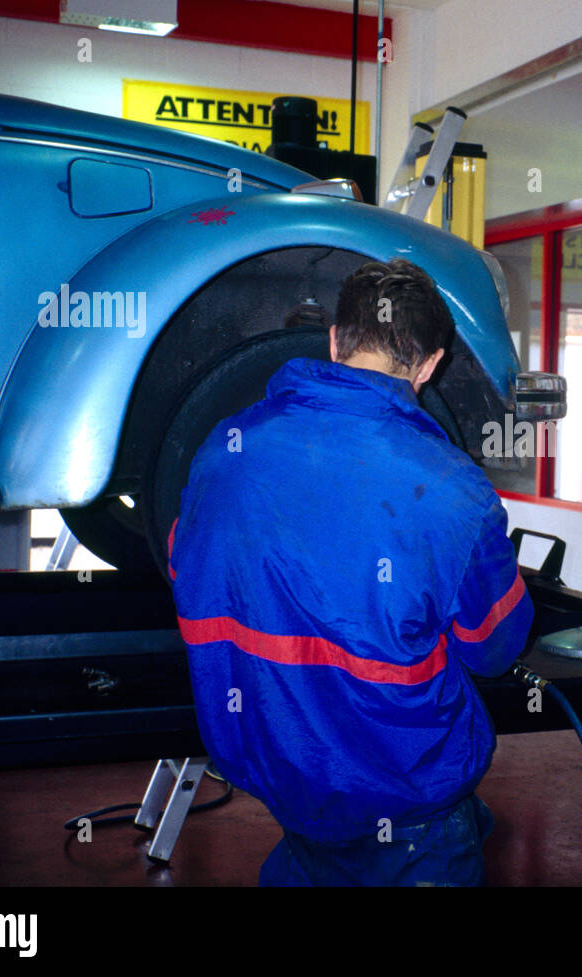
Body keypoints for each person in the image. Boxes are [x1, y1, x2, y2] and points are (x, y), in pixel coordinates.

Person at [168, 259, 534, 886]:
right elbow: (496, 649)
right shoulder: (455, 491)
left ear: (336, 340)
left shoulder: (222, 450)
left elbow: (190, 568)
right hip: (405, 797)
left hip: (287, 785)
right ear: (430, 364)